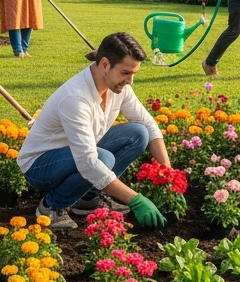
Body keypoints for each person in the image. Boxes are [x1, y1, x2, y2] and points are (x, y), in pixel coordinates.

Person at [17, 31, 170, 231]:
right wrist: (135, 199)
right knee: (102, 159)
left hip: (76, 153)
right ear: (105, 64)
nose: (130, 81)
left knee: (138, 133)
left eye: (133, 74)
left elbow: (148, 124)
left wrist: (168, 172)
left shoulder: (117, 87)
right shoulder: (75, 98)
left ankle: (88, 199)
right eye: (125, 73)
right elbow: (88, 162)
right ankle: (52, 206)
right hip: (41, 165)